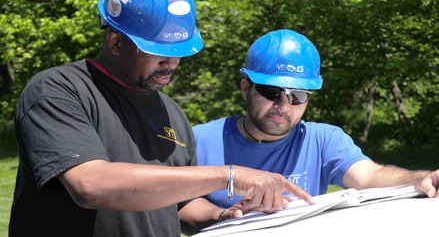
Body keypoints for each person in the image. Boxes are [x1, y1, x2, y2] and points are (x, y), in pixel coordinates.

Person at [8, 0, 313, 237]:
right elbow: (91, 184)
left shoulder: (173, 114)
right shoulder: (58, 90)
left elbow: (181, 205)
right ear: (115, 42)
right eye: (158, 52)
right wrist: (229, 176)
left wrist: (226, 218)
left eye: (178, 51)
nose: (172, 63)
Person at [181, 29, 439, 230]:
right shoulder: (199, 140)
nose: (283, 105)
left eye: (297, 96)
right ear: (246, 89)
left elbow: (368, 176)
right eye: (272, 92)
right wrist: (226, 216)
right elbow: (177, 207)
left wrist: (419, 179)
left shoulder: (323, 140)